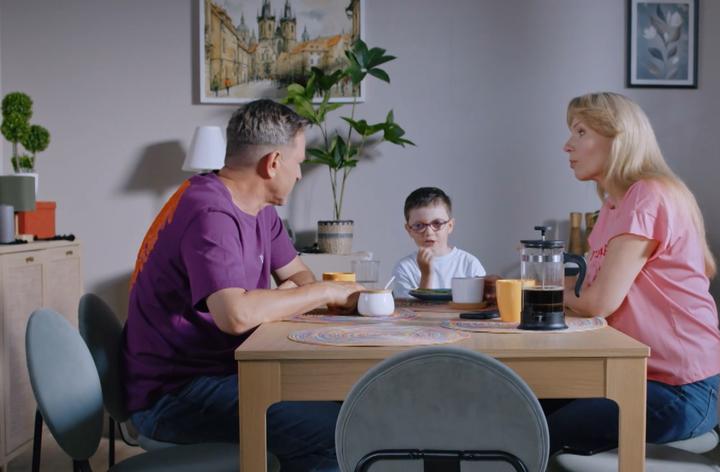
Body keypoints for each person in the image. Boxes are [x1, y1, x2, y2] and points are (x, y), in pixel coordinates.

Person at [122, 99, 362, 472]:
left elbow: (299, 278)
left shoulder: (261, 210)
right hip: (173, 395)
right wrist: (326, 292)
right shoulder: (209, 212)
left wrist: (274, 299)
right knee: (337, 433)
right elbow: (236, 316)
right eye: (298, 162)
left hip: (226, 371)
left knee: (344, 405)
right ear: (273, 163)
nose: (300, 174)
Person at [547, 92, 720, 454]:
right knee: (530, 400)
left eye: (581, 132)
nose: (567, 145)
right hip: (642, 375)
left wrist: (539, 293)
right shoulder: (614, 205)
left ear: (619, 138)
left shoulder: (648, 196)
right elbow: (590, 284)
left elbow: (599, 301)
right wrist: (527, 286)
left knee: (538, 425)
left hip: (680, 391)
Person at [391, 187, 486, 299]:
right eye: (418, 225)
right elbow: (411, 309)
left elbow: (482, 304)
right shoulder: (404, 268)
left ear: (450, 226)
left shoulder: (469, 264)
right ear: (409, 230)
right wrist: (426, 275)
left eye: (437, 223)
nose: (428, 232)